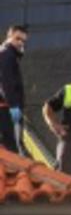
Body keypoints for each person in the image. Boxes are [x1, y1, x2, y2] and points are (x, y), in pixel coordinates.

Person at [0, 25, 27, 155]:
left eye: (23, 41)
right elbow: (6, 82)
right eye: (17, 39)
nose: (21, 43)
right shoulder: (7, 55)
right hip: (6, 108)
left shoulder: (6, 53)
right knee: (14, 147)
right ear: (9, 36)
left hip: (5, 107)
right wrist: (13, 105)